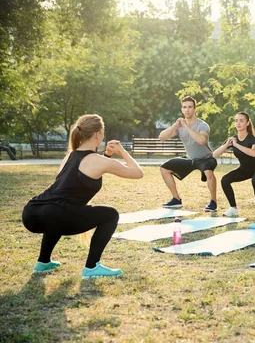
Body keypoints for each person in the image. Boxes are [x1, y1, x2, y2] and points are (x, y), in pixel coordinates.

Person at [22, 114, 143, 279]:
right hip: (56, 214)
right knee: (111, 214)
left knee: (57, 211)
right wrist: (122, 152)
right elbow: (138, 173)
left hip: (31, 212)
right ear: (97, 135)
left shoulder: (69, 156)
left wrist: (106, 156)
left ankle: (43, 262)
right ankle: (92, 267)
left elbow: (84, 175)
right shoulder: (95, 160)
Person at [159, 96, 218, 211]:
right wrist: (174, 126)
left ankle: (213, 202)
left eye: (190, 107)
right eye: (185, 107)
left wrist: (186, 126)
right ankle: (176, 199)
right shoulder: (179, 126)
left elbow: (202, 140)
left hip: (206, 158)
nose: (187, 110)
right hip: (190, 159)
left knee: (208, 171)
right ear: (182, 110)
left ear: (195, 109)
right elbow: (161, 137)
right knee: (164, 168)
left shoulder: (202, 125)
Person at [212, 112, 255, 218]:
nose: (238, 123)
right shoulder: (232, 139)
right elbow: (214, 155)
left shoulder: (252, 139)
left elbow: (253, 153)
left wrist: (236, 144)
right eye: (236, 121)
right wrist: (226, 145)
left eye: (241, 121)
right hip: (244, 170)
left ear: (247, 123)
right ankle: (233, 208)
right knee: (225, 180)